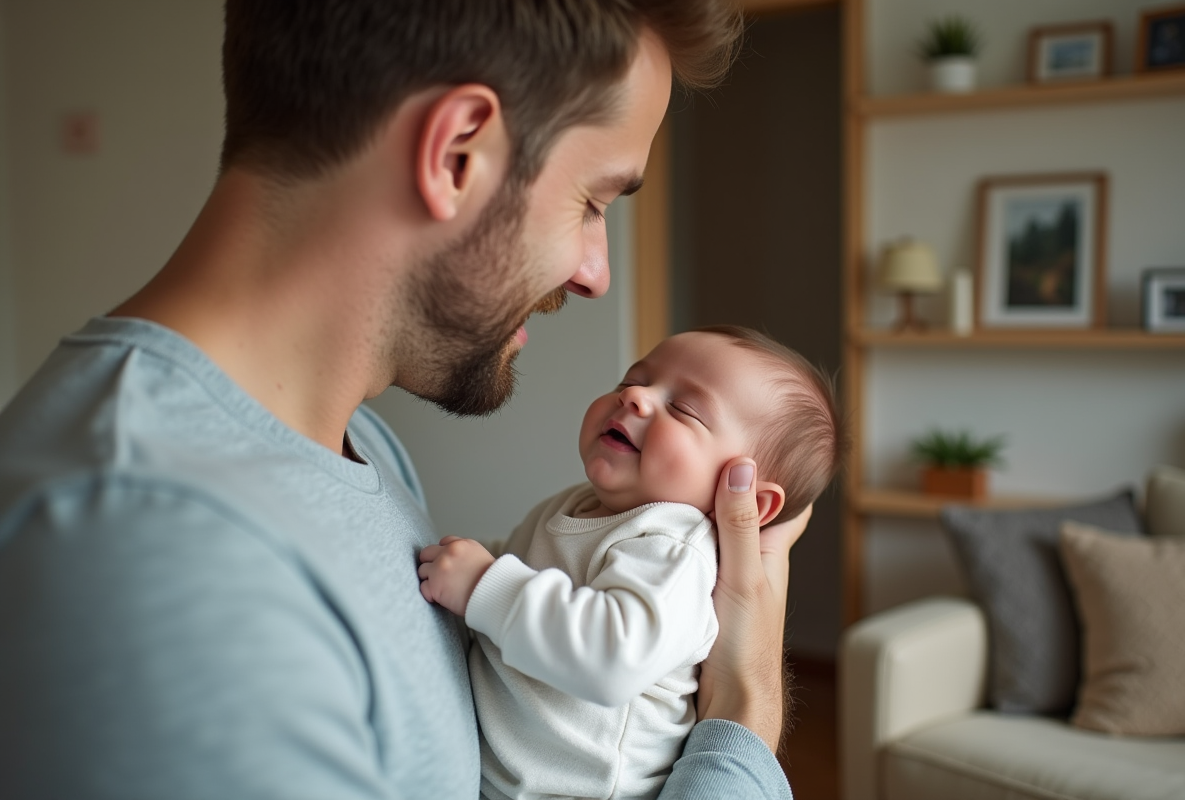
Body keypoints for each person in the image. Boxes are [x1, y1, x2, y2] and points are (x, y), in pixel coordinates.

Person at [0, 3, 811, 798]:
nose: (595, 274)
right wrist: (741, 721)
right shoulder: (155, 563)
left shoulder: (356, 442)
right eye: (594, 202)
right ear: (457, 152)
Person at [419, 325, 843, 800]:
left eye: (683, 408)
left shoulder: (675, 551)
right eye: (630, 380)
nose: (636, 397)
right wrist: (470, 559)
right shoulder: (579, 504)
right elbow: (524, 562)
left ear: (744, 495)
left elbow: (611, 657)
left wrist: (482, 583)